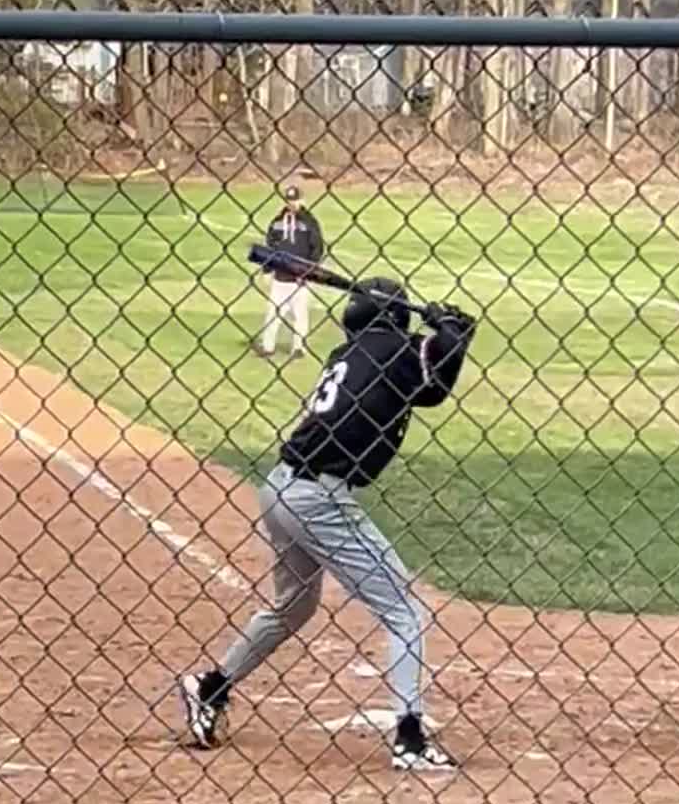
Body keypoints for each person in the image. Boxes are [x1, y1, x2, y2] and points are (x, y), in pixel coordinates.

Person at [181, 278, 476, 772]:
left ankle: (211, 687)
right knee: (404, 610)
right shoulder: (389, 349)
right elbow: (435, 380)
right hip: (320, 498)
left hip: (280, 489)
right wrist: (451, 336)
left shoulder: (355, 352)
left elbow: (427, 387)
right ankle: (409, 739)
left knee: (293, 607)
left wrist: (450, 341)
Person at [256, 184, 324, 362]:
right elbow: (271, 246)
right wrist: (267, 269)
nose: (292, 203)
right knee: (273, 314)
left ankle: (298, 347)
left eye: (295, 200)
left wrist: (310, 271)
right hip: (280, 277)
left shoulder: (309, 222)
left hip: (299, 278)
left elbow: (316, 248)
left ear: (302, 200)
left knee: (300, 315)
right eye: (289, 200)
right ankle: (268, 346)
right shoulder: (278, 221)